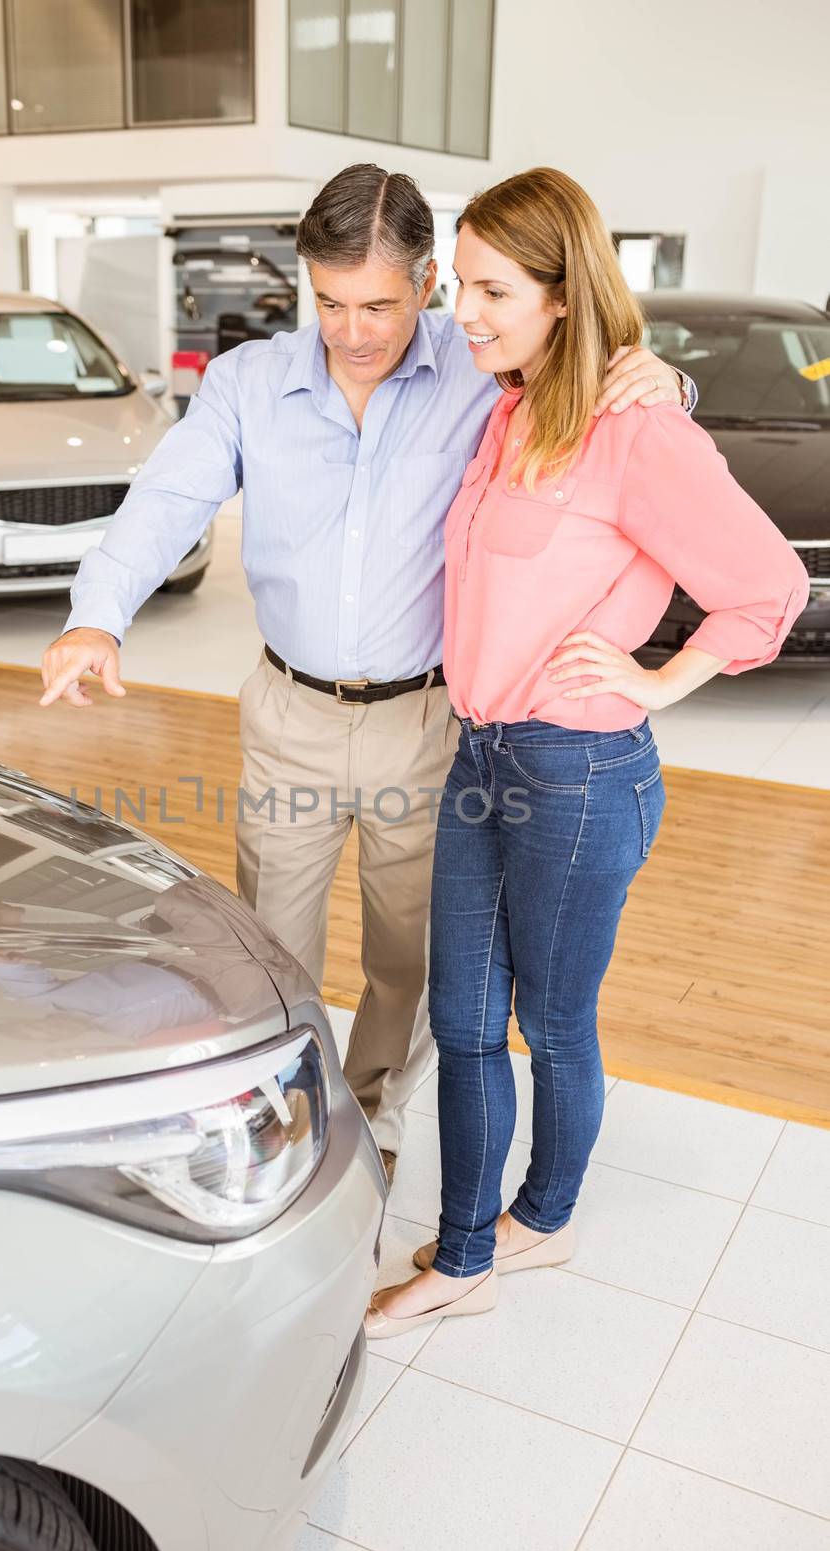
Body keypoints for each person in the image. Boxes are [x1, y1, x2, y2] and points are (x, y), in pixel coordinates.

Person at [38, 164, 689, 1182]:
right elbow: (165, 501)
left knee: (408, 957)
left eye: (378, 303)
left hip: (428, 722)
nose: (352, 329)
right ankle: (281, 1121)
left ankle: (374, 1118)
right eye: (330, 301)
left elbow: (605, 396)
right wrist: (96, 619)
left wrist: (665, 378)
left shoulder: (482, 369)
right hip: (287, 712)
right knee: (268, 949)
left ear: (427, 281)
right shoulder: (248, 382)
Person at [363, 167, 810, 1337]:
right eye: (457, 284)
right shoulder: (508, 408)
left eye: (491, 289)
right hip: (479, 755)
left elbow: (767, 587)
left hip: (576, 772)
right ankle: (463, 1257)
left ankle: (542, 1221)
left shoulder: (634, 428)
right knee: (462, 1018)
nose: (461, 309)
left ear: (563, 295)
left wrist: (658, 679)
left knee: (551, 1025)